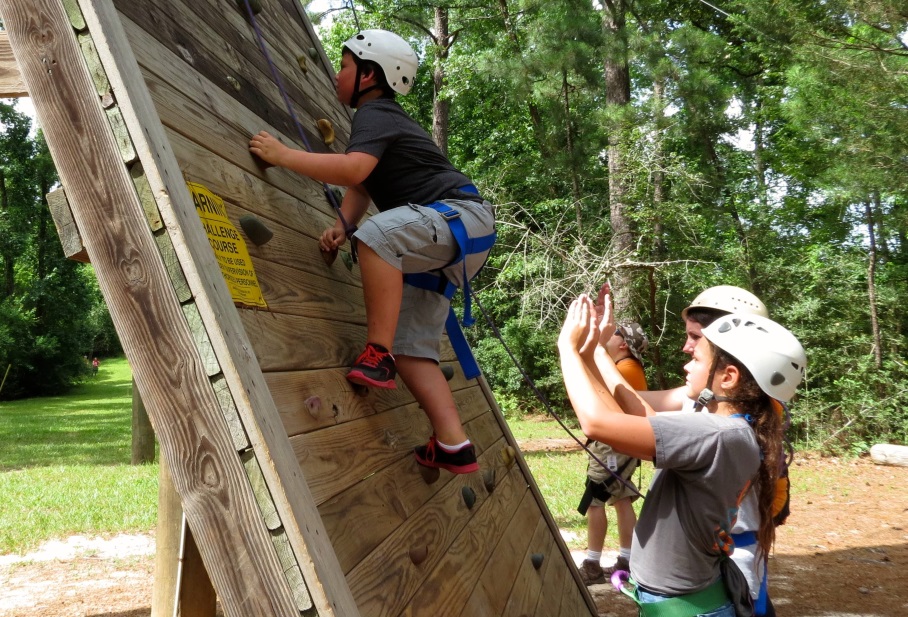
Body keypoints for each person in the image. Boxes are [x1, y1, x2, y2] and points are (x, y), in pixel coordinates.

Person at [249, 30, 495, 474]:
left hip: (457, 217)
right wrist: (344, 225)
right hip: (456, 237)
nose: (337, 74)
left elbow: (353, 168)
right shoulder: (381, 120)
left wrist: (283, 155)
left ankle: (376, 355)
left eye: (344, 66)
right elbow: (364, 183)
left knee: (378, 238)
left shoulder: (376, 112)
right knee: (413, 347)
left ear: (368, 75)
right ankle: (453, 442)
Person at [558, 292, 806, 616]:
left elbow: (597, 424)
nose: (686, 360)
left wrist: (568, 347)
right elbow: (644, 418)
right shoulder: (729, 429)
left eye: (697, 357)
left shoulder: (719, 435)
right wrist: (593, 352)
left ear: (728, 377)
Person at [634, 285, 788, 616]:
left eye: (695, 337)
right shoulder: (710, 398)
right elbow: (637, 406)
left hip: (725, 564)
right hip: (715, 560)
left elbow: (636, 416)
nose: (686, 346)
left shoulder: (736, 413)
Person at [577, 322, 648, 586]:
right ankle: (627, 561)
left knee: (595, 500)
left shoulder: (623, 370)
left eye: (616, 333)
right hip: (624, 444)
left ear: (623, 344)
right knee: (622, 498)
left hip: (612, 444)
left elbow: (596, 397)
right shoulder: (630, 369)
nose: (611, 336)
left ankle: (593, 565)